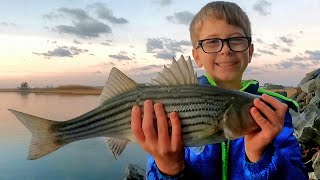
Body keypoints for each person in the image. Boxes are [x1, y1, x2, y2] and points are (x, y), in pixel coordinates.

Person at [131, 1, 307, 179]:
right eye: (213, 42)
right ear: (197, 56)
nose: (226, 50)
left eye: (236, 40)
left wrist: (258, 158)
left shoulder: (273, 109)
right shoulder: (168, 104)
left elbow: (297, 174)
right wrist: (168, 167)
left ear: (250, 51)